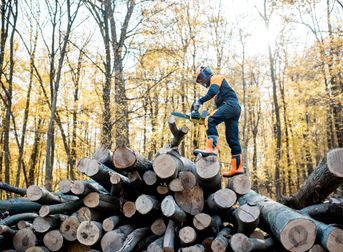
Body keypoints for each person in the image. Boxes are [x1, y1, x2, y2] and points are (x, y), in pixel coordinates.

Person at [192, 66, 243, 177]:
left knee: (210, 119)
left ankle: (212, 148)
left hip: (231, 104)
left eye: (201, 78)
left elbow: (212, 91)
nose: (202, 81)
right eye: (199, 80)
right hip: (234, 108)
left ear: (206, 73)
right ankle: (237, 167)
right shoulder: (219, 95)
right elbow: (218, 111)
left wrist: (200, 101)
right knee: (232, 139)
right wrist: (203, 117)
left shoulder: (216, 77)